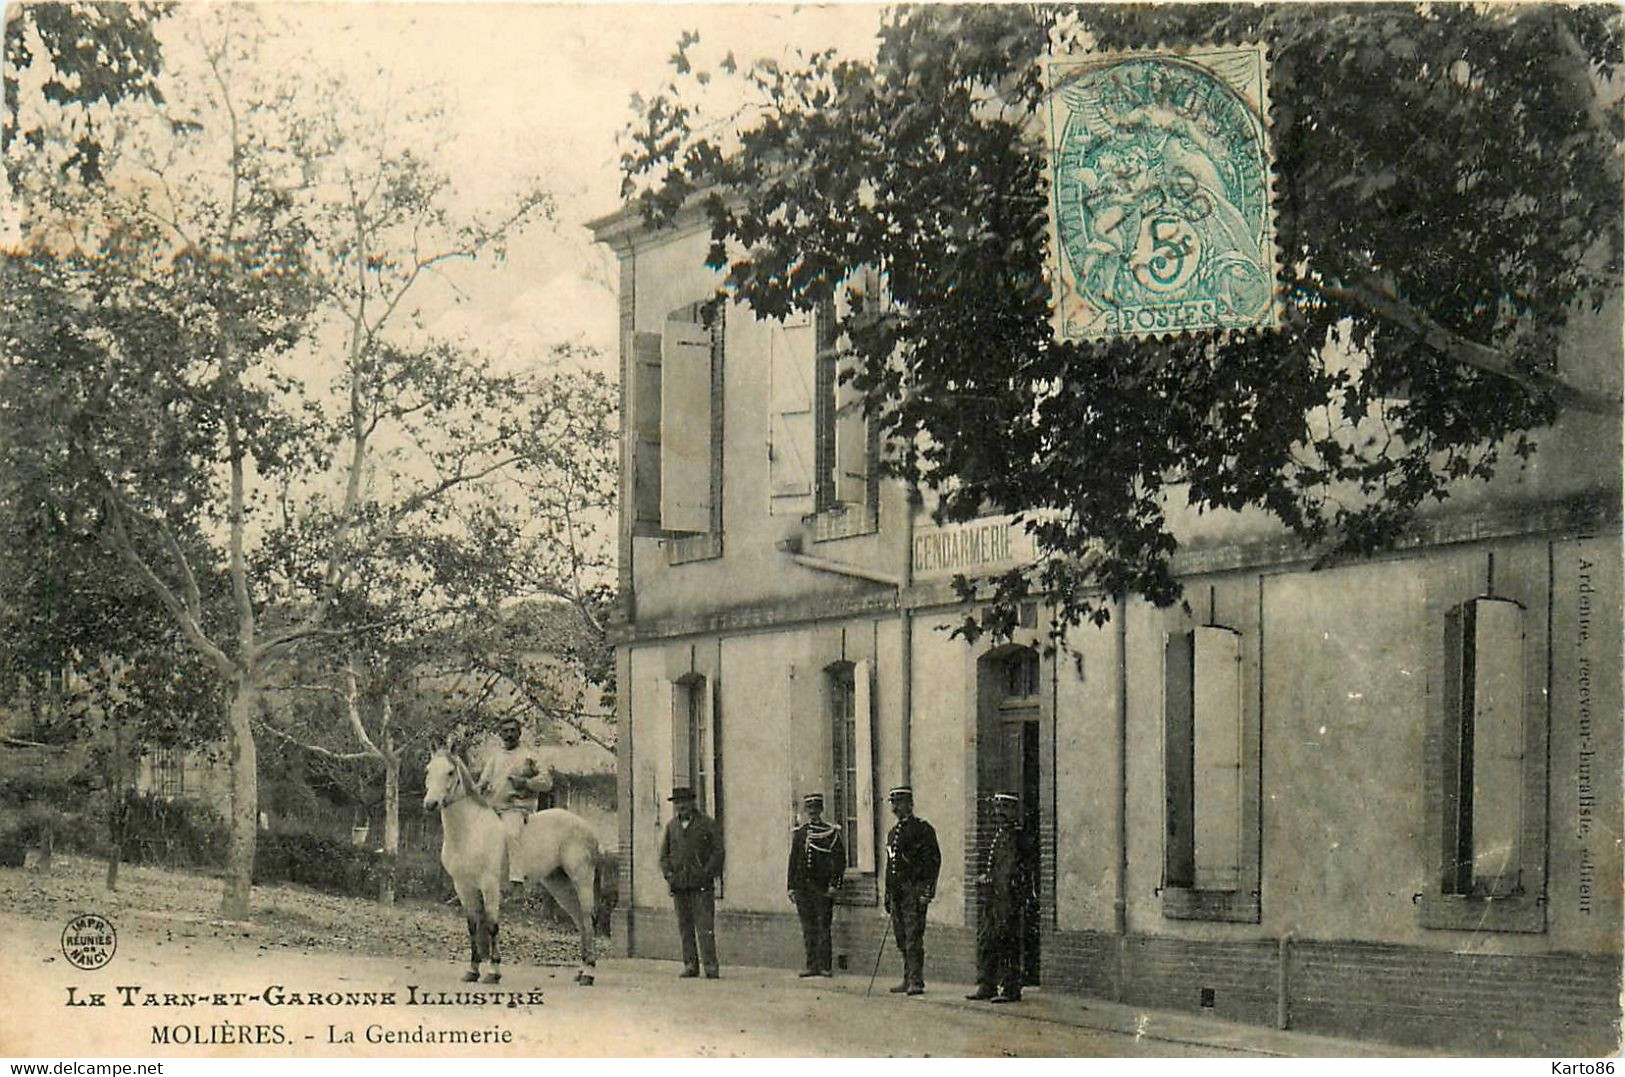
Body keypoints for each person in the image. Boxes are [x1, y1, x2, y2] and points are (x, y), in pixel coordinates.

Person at [475, 716, 554, 893]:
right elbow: (483, 781)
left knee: (510, 833)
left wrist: (526, 783)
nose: (509, 734)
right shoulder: (495, 757)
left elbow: (547, 782)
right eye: (505, 731)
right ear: (500, 734)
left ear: (519, 732)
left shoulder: (529, 756)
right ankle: (476, 882)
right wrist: (476, 790)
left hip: (516, 807)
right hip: (493, 808)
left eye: (512, 730)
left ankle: (516, 880)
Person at [967, 792, 1033, 1003]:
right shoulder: (999, 834)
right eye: (998, 807)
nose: (1000, 812)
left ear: (1014, 810)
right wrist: (987, 878)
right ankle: (987, 985)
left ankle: (1010, 989)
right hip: (994, 899)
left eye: (1005, 807)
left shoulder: (1019, 836)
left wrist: (1017, 896)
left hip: (1009, 899)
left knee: (1007, 943)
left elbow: (1024, 870)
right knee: (987, 940)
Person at [659, 785, 725, 979]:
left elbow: (719, 852)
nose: (681, 806)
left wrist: (706, 873)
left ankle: (711, 967)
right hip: (680, 885)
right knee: (685, 927)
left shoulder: (707, 824)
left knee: (705, 927)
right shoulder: (672, 827)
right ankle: (690, 965)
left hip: (702, 885)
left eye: (684, 802)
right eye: (678, 803)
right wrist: (669, 876)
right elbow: (664, 856)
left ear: (692, 802)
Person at [882, 785, 940, 996]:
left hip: (914, 892)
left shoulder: (923, 830)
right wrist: (888, 893)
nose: (897, 808)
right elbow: (891, 866)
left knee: (914, 936)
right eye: (894, 804)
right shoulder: (892, 834)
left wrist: (927, 890)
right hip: (898, 892)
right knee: (901, 935)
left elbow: (933, 862)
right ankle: (907, 977)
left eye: (900, 803)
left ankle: (917, 980)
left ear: (910, 804)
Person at [787, 792, 846, 977]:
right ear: (806, 811)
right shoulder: (801, 834)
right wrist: (791, 886)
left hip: (822, 888)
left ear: (821, 810)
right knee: (808, 928)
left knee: (823, 927)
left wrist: (834, 884)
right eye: (810, 809)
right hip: (803, 888)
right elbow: (793, 861)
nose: (813, 812)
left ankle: (825, 966)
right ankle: (811, 965)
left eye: (816, 808)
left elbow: (839, 861)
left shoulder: (830, 833)